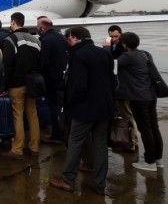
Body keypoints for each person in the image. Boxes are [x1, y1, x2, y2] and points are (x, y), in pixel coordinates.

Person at [50, 26, 117, 196]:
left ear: (74, 37)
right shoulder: (104, 53)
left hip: (85, 109)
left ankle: (67, 180)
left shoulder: (79, 55)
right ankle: (99, 183)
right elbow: (113, 81)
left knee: (75, 143)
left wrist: (70, 102)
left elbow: (79, 86)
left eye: (68, 39)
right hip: (105, 108)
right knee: (101, 146)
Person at [117, 32, 164, 171]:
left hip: (138, 98)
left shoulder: (127, 56)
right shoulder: (145, 54)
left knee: (145, 129)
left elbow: (111, 65)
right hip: (151, 95)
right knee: (154, 127)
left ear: (124, 44)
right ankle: (158, 159)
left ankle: (149, 162)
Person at [1, 12, 42, 160]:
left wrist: (4, 86)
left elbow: (7, 65)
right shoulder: (36, 40)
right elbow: (40, 62)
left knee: (18, 115)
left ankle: (17, 149)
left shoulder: (10, 40)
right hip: (32, 84)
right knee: (33, 115)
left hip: (16, 84)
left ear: (13, 22)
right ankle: (34, 147)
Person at [104, 24, 138, 151]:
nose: (113, 38)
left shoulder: (125, 48)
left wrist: (106, 49)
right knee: (120, 114)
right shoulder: (113, 44)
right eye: (111, 36)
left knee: (127, 114)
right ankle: (125, 139)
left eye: (116, 36)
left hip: (123, 86)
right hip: (117, 85)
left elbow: (112, 63)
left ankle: (132, 141)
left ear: (121, 35)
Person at [37, 17, 68, 145]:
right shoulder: (60, 37)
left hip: (51, 81)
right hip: (63, 79)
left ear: (42, 27)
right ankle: (63, 132)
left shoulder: (46, 40)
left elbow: (44, 62)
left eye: (38, 25)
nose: (37, 28)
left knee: (53, 108)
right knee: (61, 108)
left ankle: (56, 135)